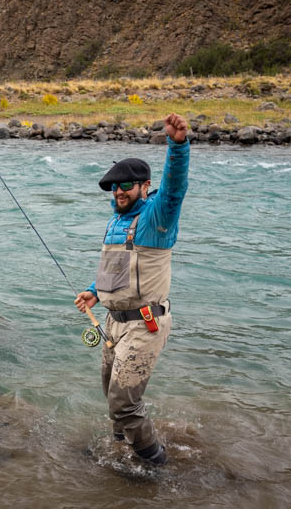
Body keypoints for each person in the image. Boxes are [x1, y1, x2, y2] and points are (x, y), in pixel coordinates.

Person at [74, 113, 189, 466]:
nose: (119, 191)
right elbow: (116, 267)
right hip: (113, 322)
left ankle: (154, 463)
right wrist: (95, 291)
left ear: (144, 185)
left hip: (144, 323)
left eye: (126, 185)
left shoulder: (157, 217)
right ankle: (121, 448)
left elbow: (174, 188)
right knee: (111, 392)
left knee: (124, 401)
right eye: (114, 186)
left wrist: (178, 145)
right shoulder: (115, 220)